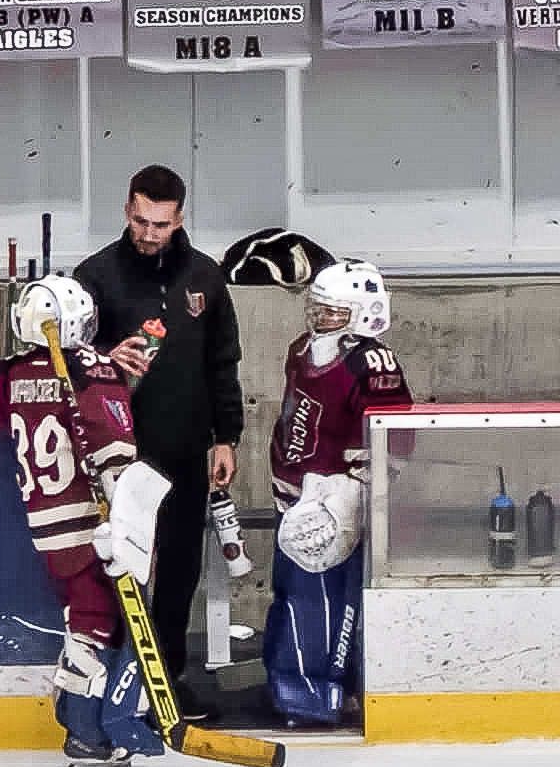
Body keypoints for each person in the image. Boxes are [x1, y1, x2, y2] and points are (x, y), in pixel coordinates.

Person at [0, 275, 167, 767]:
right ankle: (87, 725)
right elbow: (117, 456)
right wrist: (128, 525)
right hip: (92, 520)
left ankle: (87, 718)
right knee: (100, 621)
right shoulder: (94, 369)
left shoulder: (4, 374)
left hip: (43, 523)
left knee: (86, 615)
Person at [75, 164, 242, 724]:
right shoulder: (94, 276)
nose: (150, 233)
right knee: (120, 569)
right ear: (127, 209)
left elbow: (224, 366)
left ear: (180, 218)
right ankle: (120, 683)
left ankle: (168, 679)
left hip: (186, 450)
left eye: (161, 224)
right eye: (142, 220)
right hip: (118, 455)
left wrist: (227, 438)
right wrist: (103, 358)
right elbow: (64, 366)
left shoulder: (206, 278)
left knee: (177, 571)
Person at [264, 261, 413, 728]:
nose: (319, 318)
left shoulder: (372, 364)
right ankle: (290, 685)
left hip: (332, 507)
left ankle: (318, 694)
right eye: (318, 308)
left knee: (323, 602)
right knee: (289, 597)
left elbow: (398, 438)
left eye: (332, 311)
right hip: (292, 499)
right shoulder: (302, 349)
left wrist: (355, 490)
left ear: (365, 313)